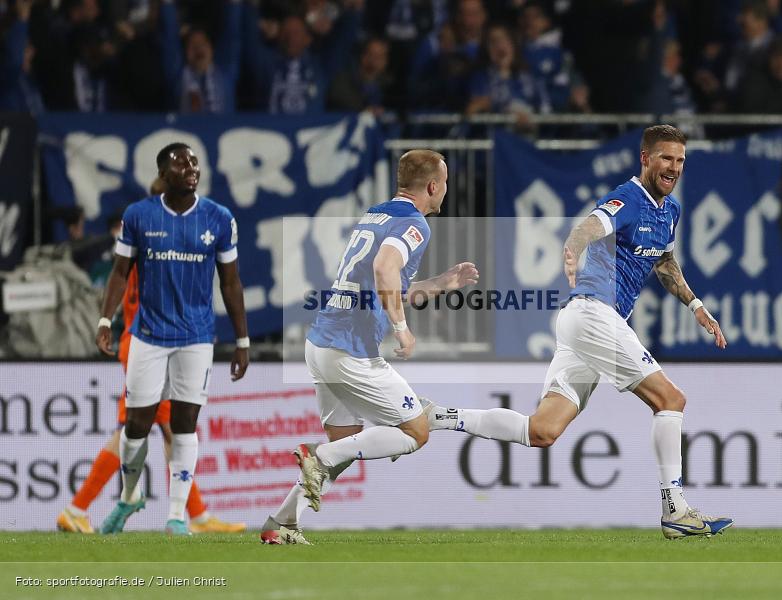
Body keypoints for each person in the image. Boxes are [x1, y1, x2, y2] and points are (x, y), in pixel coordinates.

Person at [427, 125, 734, 539]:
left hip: (585, 324)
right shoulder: (628, 198)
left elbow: (663, 262)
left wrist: (696, 305)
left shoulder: (670, 210)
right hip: (594, 315)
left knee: (542, 431)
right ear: (645, 159)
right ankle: (675, 509)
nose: (673, 168)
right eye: (665, 158)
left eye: (680, 160)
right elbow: (591, 224)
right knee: (671, 399)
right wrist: (573, 248)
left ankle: (438, 416)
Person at [259, 149, 479, 544]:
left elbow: (385, 284)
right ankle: (316, 458)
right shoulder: (415, 224)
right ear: (432, 186)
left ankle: (281, 523)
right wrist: (402, 329)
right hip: (350, 352)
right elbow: (383, 270)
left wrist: (440, 284)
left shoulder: (377, 213)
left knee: (343, 449)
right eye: (443, 182)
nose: (445, 189)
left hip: (322, 344)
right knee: (415, 431)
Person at [57, 177, 246, 536]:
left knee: (169, 432)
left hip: (143, 342)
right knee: (148, 432)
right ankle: (77, 507)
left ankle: (198, 515)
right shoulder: (153, 236)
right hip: (150, 345)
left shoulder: (143, 236)